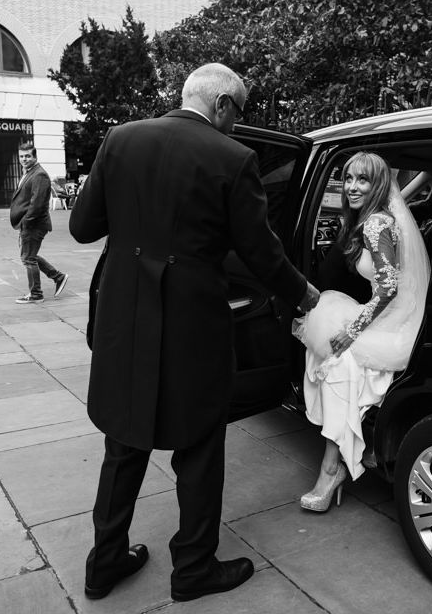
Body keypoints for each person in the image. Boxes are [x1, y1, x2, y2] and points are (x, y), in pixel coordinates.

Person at [69, 63, 319, 602]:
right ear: (223, 104)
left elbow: (82, 227)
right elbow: (260, 253)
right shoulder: (234, 159)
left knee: (124, 446)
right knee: (200, 447)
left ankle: (105, 563)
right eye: (240, 111)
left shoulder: (121, 139)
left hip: (125, 320)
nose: (238, 123)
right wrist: (304, 295)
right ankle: (194, 568)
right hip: (193, 328)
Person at [293, 151, 430, 511]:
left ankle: (331, 469)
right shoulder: (376, 218)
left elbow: (387, 288)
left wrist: (353, 331)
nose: (352, 187)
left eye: (363, 180)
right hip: (388, 313)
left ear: (379, 184)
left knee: (337, 362)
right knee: (326, 345)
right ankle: (353, 448)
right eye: (349, 178)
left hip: (396, 321)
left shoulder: (375, 224)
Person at [10, 142, 69, 303]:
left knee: (28, 258)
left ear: (34, 156)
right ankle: (58, 277)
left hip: (34, 224)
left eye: (28, 156)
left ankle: (36, 294)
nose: (24, 159)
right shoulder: (29, 172)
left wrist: (25, 222)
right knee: (30, 256)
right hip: (30, 223)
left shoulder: (39, 174)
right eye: (21, 156)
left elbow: (38, 204)